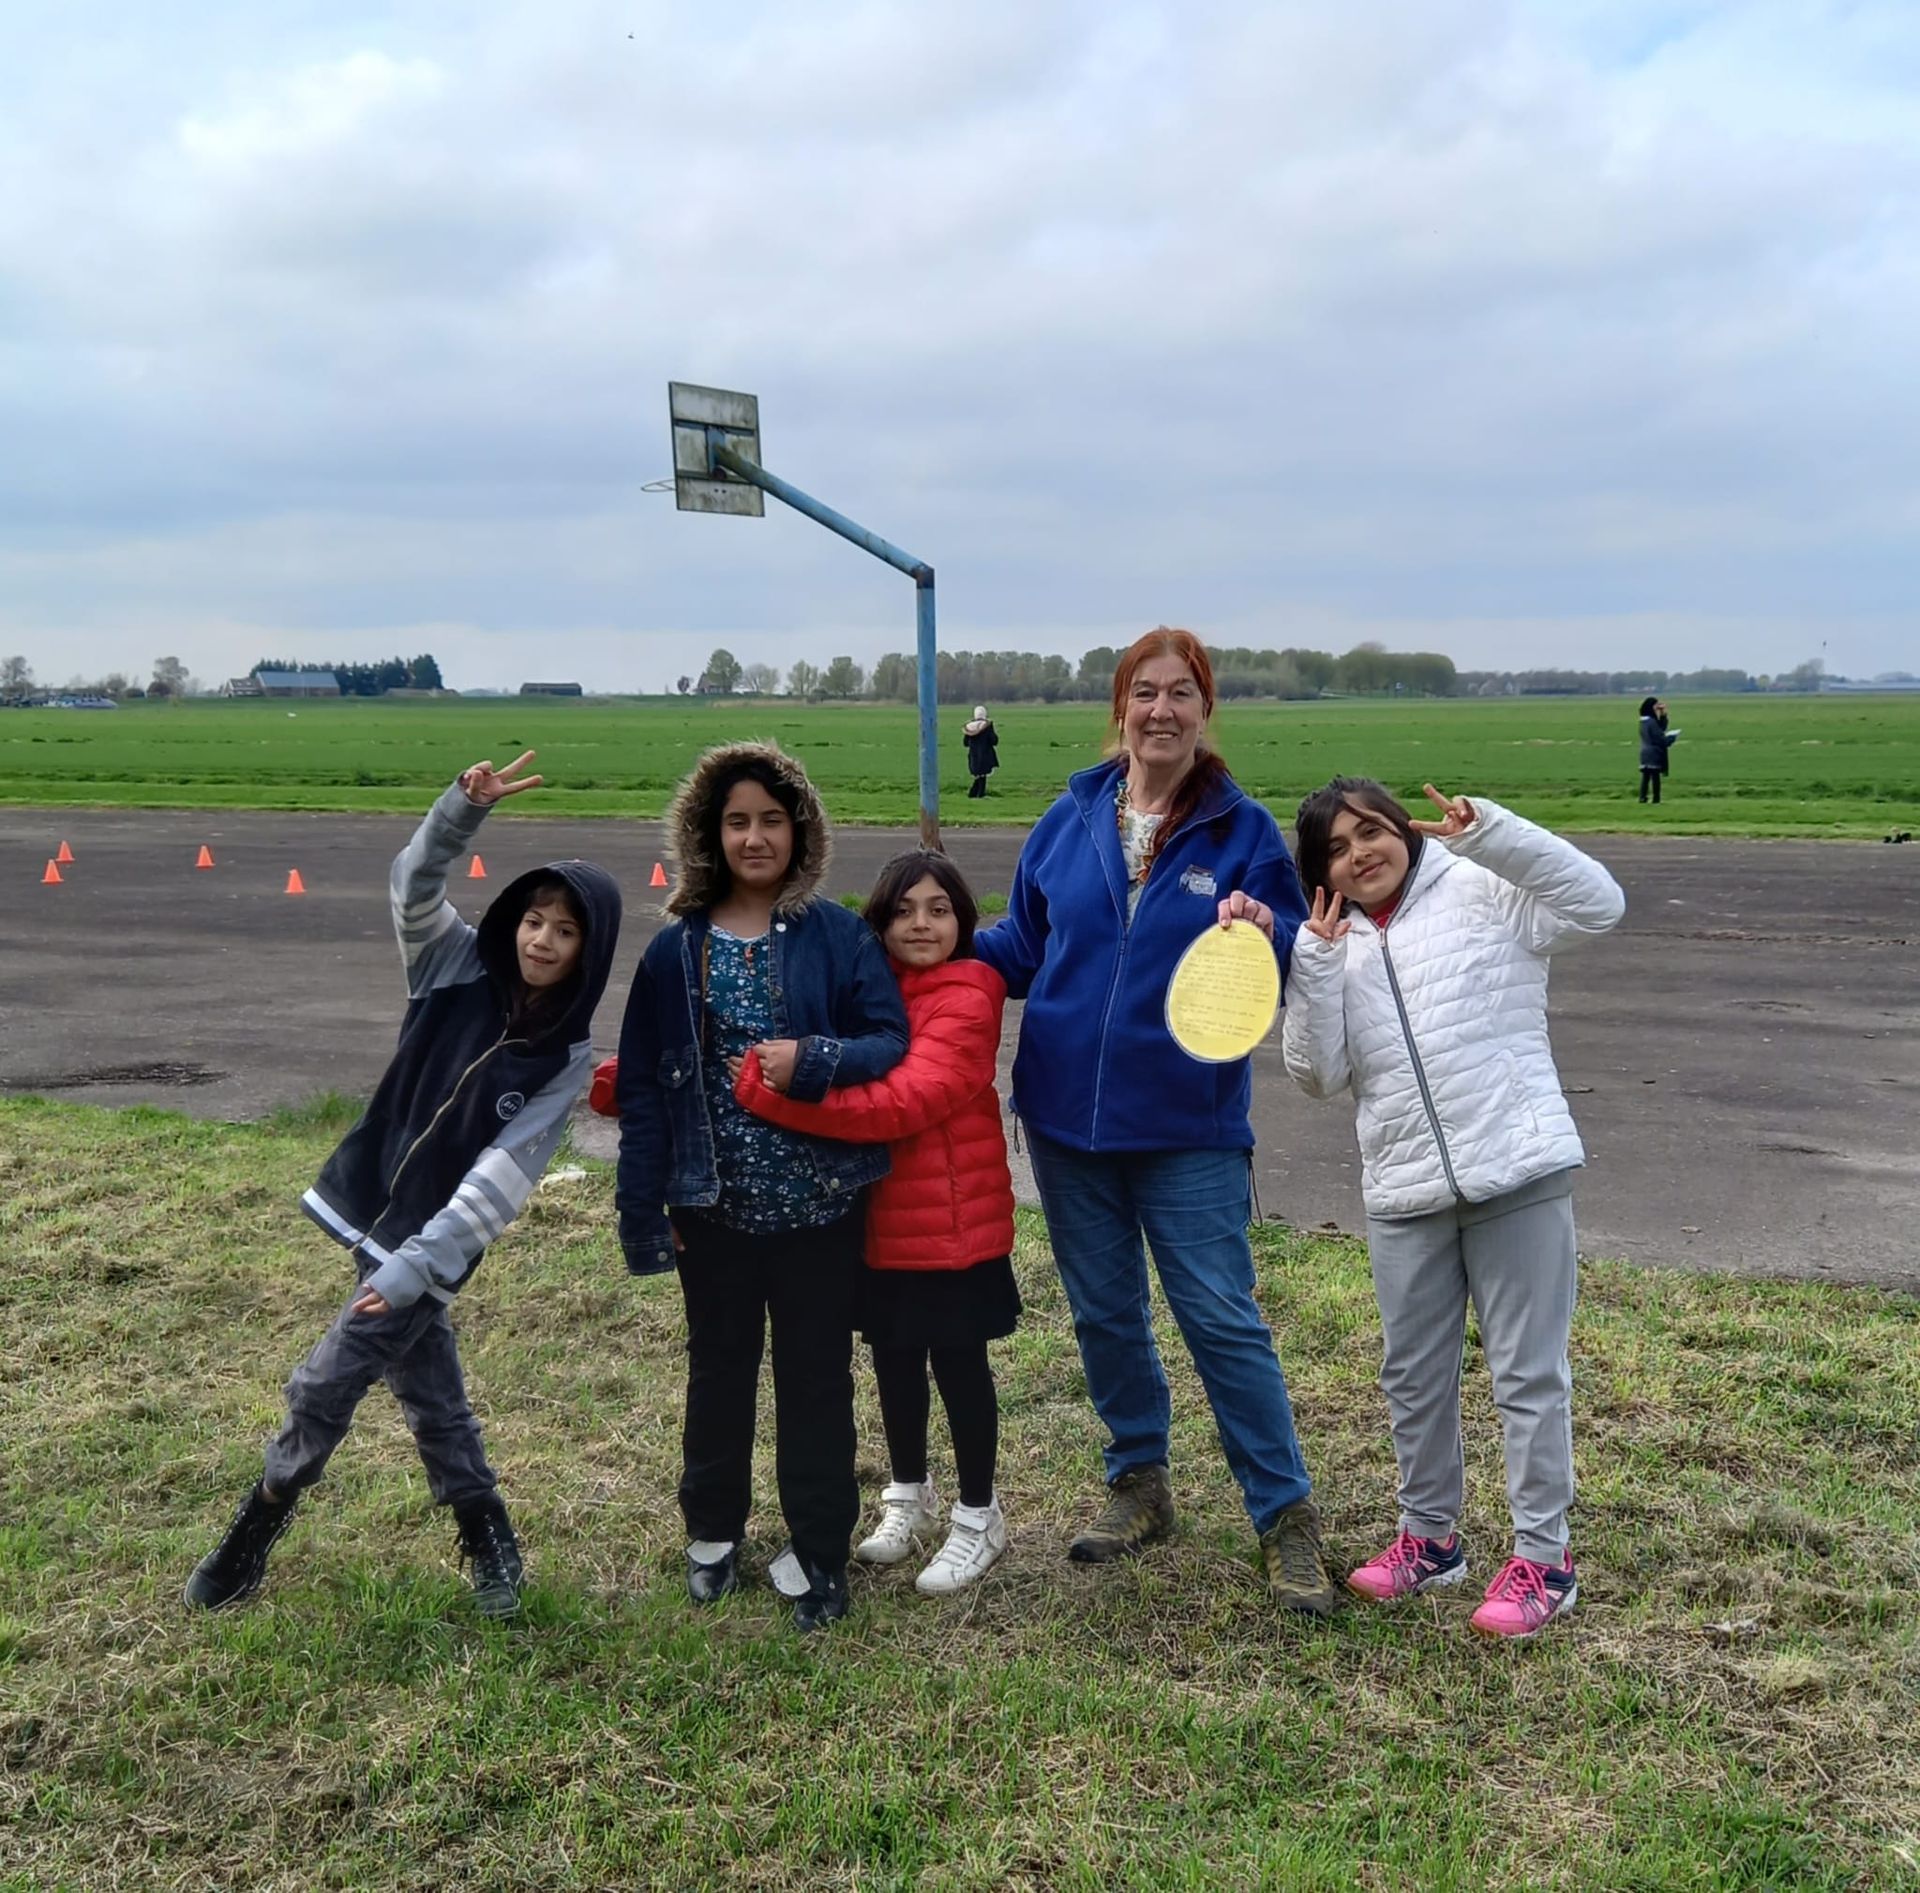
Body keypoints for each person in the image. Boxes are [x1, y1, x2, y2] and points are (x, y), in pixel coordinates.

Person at [185, 752, 622, 1619]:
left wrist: (414, 1267)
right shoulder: (450, 963)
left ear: (588, 952)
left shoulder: (561, 1058)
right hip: (372, 1202)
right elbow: (412, 882)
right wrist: (461, 811)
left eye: (565, 931)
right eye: (533, 919)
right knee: (431, 1389)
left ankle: (256, 1523)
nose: (541, 939)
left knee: (324, 1383)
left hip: (424, 1243)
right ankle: (485, 1528)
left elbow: (501, 1180)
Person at [973, 627, 1338, 1618]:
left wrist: (1278, 930)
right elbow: (1019, 942)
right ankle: (1139, 1482)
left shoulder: (1242, 830)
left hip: (1186, 1124)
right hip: (1064, 1121)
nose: (1163, 710)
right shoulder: (1072, 815)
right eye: (1146, 692)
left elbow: (1303, 941)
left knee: (1220, 1317)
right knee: (1104, 1314)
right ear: (1120, 709)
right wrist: (912, 949)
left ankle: (1285, 1517)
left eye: (1183, 693)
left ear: (1205, 710)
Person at [1282, 777, 1624, 1639]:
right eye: (1336, 846)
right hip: (1404, 1191)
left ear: (1403, 827)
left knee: (1528, 1375)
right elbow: (1317, 1076)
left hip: (1516, 1171)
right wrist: (1314, 964)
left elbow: (1600, 904)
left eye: (1372, 830)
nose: (1360, 852)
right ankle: (1429, 1540)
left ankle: (1544, 1559)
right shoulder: (1331, 947)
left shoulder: (1483, 888)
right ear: (1319, 869)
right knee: (1413, 1374)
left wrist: (1495, 835)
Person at [614, 742, 909, 1631]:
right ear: (710, 833)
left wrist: (814, 1058)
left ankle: (819, 1549)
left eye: (771, 820)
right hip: (714, 1214)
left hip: (819, 1210)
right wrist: (643, 1206)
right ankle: (712, 1534)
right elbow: (641, 1088)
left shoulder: (838, 934)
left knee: (816, 1380)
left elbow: (888, 1038)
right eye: (737, 821)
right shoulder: (676, 952)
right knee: (720, 1374)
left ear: (800, 831)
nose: (754, 837)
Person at [733, 850, 1020, 1596]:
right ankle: (908, 1496)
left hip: (954, 1220)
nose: (920, 923)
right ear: (879, 923)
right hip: (883, 1216)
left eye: (938, 908)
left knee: (959, 1364)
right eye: (902, 910)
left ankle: (978, 1514)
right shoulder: (873, 990)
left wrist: (776, 1097)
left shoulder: (970, 992)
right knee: (894, 1357)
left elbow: (901, 1103)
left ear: (963, 920)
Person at [1637, 697, 1680, 803]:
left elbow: (1660, 728)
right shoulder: (1651, 722)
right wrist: (1671, 738)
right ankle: (1656, 799)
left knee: (1646, 777)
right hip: (1654, 753)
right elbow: (1659, 737)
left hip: (1644, 751)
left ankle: (1642, 797)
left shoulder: (1643, 721)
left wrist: (1662, 714)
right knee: (1655, 777)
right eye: (1656, 705)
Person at [963, 705, 999, 800]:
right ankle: (979, 794)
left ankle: (975, 793)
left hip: (974, 755)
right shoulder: (987, 726)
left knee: (978, 775)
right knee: (982, 775)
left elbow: (965, 743)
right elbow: (994, 741)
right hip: (985, 754)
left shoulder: (969, 727)